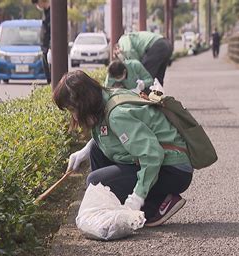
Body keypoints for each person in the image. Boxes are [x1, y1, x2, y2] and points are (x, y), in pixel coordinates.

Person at [53, 70, 193, 227]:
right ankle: (119, 204)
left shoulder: (117, 115)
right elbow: (107, 135)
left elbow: (152, 155)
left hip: (173, 170)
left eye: (72, 109)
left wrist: (136, 199)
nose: (75, 117)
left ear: (84, 101)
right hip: (164, 161)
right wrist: (85, 150)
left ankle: (156, 203)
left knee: (96, 181)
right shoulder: (106, 96)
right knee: (96, 150)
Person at [32, 0, 51, 84]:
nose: (37, 6)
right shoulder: (45, 11)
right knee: (46, 68)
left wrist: (50, 46)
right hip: (44, 46)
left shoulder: (52, 12)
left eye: (37, 3)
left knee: (50, 68)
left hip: (49, 46)